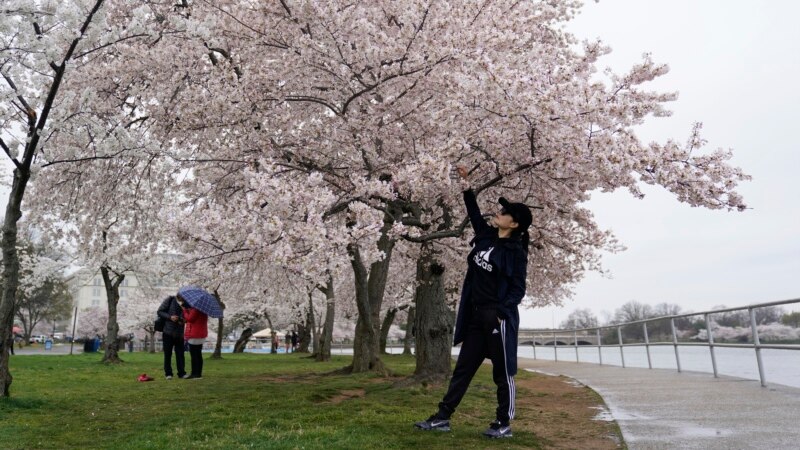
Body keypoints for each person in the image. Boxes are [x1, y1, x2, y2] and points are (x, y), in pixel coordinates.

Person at [414, 166, 532, 439]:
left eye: (504, 213)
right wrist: (466, 184)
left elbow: (518, 288)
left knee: (503, 373)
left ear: (514, 223)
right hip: (476, 316)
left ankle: (503, 423)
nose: (498, 214)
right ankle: (442, 417)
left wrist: (502, 313)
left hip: (497, 317)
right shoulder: (486, 236)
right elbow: (474, 213)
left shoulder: (516, 252)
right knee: (463, 369)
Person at [179, 294, 208, 379]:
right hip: (200, 333)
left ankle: (195, 373)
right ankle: (198, 373)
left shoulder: (196, 308)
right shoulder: (203, 308)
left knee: (194, 354)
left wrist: (184, 310)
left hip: (195, 334)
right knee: (198, 354)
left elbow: (190, 319)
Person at [157, 295, 186, 380]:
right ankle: (168, 373)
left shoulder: (187, 304)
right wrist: (170, 317)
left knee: (180, 354)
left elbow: (187, 316)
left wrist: (183, 320)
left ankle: (182, 373)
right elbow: (160, 312)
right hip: (168, 332)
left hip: (180, 332)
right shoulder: (170, 300)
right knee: (168, 354)